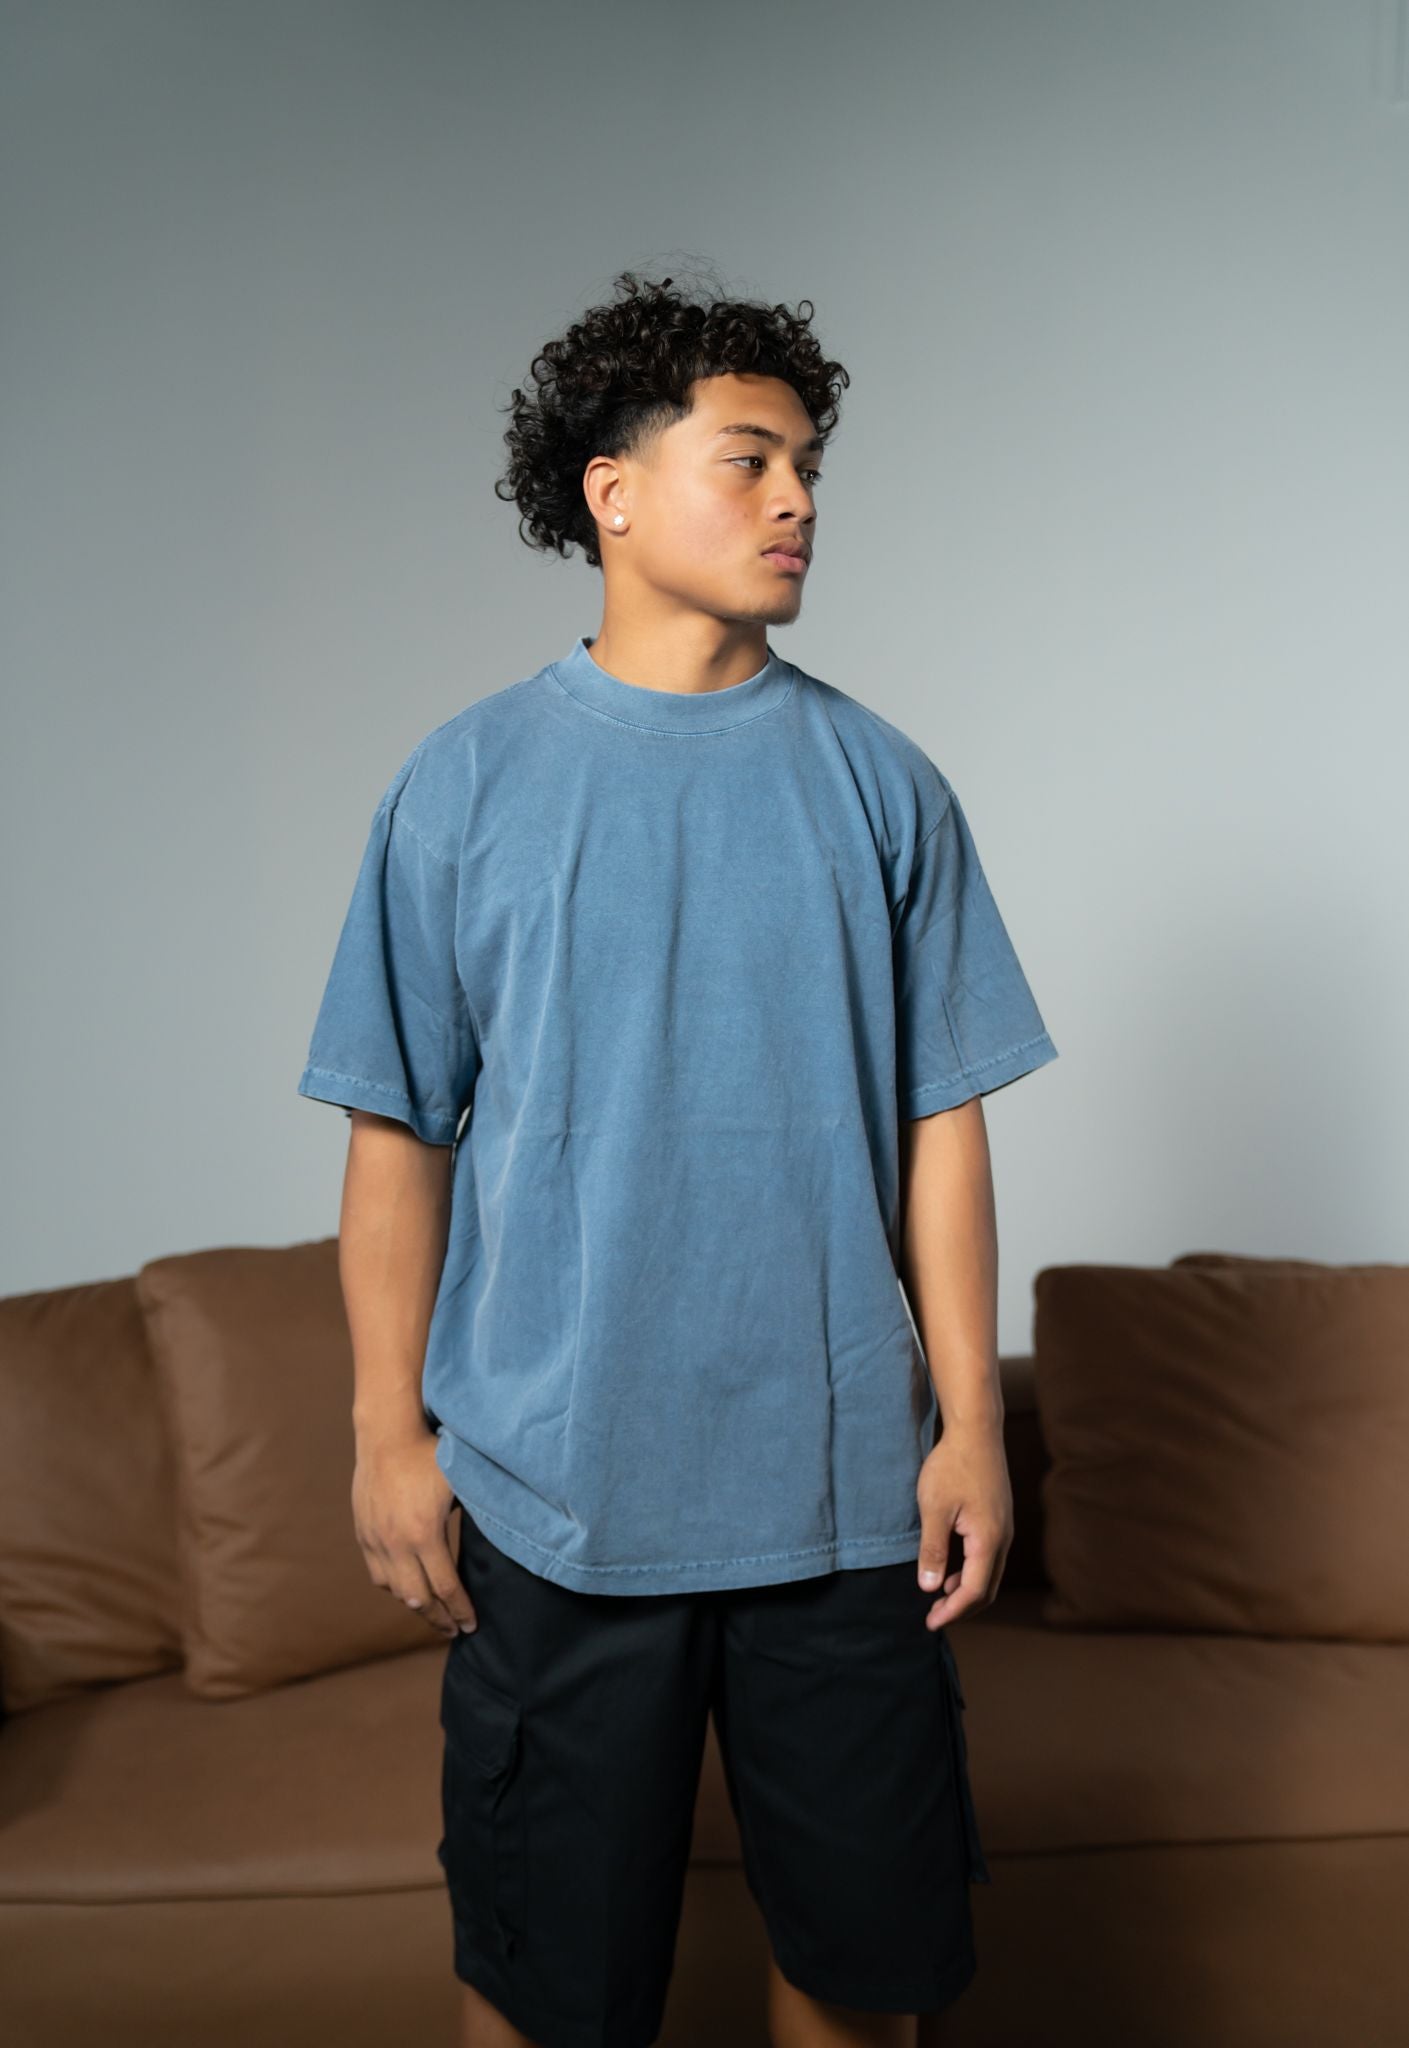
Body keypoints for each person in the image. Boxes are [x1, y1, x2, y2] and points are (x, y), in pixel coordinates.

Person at [297, 268, 1058, 2048]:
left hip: (841, 1513)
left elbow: (941, 1130)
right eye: (751, 460)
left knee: (862, 1984)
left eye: (809, 469)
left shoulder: (883, 785)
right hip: (552, 1506)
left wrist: (968, 1425)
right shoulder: (462, 785)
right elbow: (397, 1133)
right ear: (613, 493)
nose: (798, 501)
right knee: (545, 1993)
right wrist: (386, 1434)